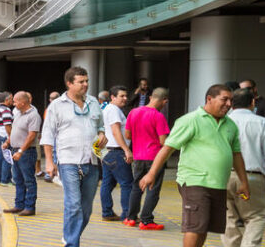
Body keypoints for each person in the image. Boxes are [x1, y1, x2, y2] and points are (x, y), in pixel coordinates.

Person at [140, 84, 250, 247]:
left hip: (218, 184)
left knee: (203, 227)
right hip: (194, 181)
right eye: (224, 99)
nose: (228, 104)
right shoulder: (190, 120)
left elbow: (236, 154)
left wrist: (244, 182)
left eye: (231, 101)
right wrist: (151, 173)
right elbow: (168, 148)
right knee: (195, 226)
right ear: (209, 99)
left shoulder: (230, 125)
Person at [41, 67, 106, 247]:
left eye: (87, 81)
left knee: (86, 209)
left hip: (91, 161)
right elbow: (47, 135)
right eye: (81, 82)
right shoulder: (56, 106)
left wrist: (101, 134)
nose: (86, 84)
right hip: (68, 161)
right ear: (69, 83)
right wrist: (49, 161)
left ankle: (69, 233)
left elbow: (101, 126)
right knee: (74, 205)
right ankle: (71, 243)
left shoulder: (93, 102)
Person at [223, 88, 265, 247]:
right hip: (252, 177)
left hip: (222, 177)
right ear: (252, 102)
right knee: (255, 216)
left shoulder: (221, 122)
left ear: (231, 104)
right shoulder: (264, 123)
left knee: (227, 217)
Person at [124, 87, 170, 230]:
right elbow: (163, 141)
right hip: (155, 158)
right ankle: (146, 220)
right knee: (152, 189)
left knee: (137, 187)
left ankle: (131, 218)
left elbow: (127, 135)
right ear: (164, 101)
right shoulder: (159, 116)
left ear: (150, 97)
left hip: (138, 156)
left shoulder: (134, 112)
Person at [2, 91, 42, 217]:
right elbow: (15, 130)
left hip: (26, 152)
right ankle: (19, 205)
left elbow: (31, 136)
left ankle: (30, 207)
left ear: (22, 102)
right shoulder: (18, 113)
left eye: (15, 101)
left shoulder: (33, 115)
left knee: (28, 180)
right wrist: (8, 141)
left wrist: (21, 151)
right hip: (15, 150)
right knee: (18, 179)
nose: (13, 104)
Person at [100, 85, 133, 222]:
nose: (125, 98)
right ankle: (127, 214)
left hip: (107, 151)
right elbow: (116, 131)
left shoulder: (108, 109)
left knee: (107, 183)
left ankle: (107, 212)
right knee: (127, 184)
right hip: (116, 152)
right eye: (122, 96)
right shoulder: (113, 110)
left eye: (126, 96)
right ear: (113, 97)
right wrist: (126, 149)